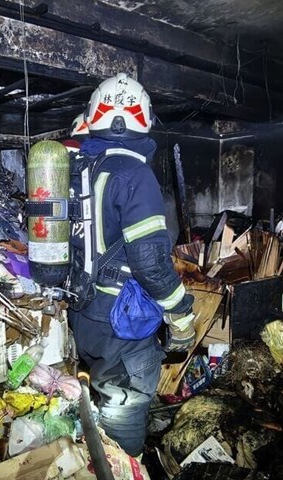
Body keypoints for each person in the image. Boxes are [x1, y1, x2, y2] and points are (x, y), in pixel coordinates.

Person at [66, 73, 195, 457]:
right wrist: (182, 315)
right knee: (125, 406)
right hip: (122, 323)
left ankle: (97, 452)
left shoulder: (81, 169)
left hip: (83, 312)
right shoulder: (135, 174)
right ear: (145, 118)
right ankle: (127, 463)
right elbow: (150, 263)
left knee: (102, 393)